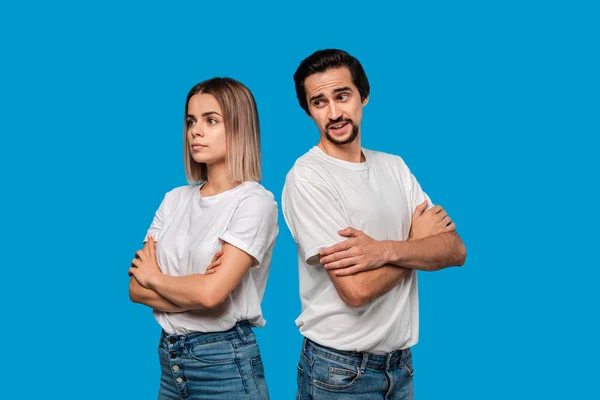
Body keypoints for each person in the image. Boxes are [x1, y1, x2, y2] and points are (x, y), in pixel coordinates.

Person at [282, 49, 467, 399]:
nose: (334, 112)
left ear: (363, 96)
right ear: (308, 111)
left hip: (400, 366)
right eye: (319, 102)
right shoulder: (308, 177)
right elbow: (356, 291)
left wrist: (382, 250)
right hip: (338, 371)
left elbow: (455, 249)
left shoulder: (394, 167)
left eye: (342, 96)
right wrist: (418, 245)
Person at [128, 77, 277, 400]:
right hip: (170, 363)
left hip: (224, 364)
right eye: (191, 121)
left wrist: (156, 277)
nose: (195, 131)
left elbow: (211, 294)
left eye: (211, 121)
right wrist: (192, 292)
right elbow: (135, 289)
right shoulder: (174, 199)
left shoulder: (254, 202)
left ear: (239, 127)